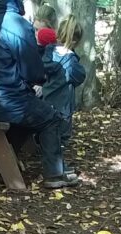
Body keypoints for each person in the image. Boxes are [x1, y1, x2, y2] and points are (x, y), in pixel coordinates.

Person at [0, 0, 79, 189]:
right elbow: (33, 73)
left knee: (32, 112)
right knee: (50, 118)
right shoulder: (15, 24)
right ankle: (55, 174)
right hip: (4, 101)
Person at [41, 16, 85, 155]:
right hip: (63, 106)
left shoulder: (48, 53)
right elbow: (79, 77)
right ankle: (57, 167)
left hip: (45, 101)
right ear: (74, 41)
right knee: (61, 138)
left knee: (46, 134)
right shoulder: (72, 63)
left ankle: (50, 162)